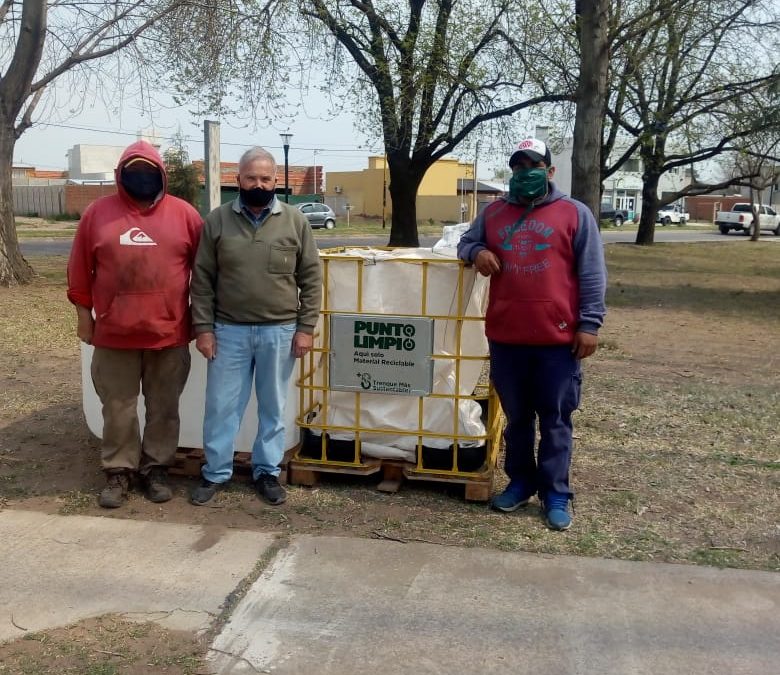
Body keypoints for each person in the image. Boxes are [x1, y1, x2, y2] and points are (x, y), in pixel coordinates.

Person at [457, 138, 606, 530]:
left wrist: (589, 324)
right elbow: (465, 242)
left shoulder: (574, 214)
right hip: (507, 337)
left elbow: (592, 272)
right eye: (518, 167)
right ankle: (520, 483)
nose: (525, 174)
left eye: (533, 166)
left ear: (550, 171)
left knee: (556, 420)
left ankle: (555, 493)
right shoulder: (494, 213)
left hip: (558, 341)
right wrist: (477, 253)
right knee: (518, 419)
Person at [67, 140, 203, 508]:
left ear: (161, 174)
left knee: (164, 407)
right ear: (121, 174)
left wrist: (201, 322)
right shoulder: (98, 214)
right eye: (134, 169)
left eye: (148, 169)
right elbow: (80, 268)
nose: (141, 176)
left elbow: (205, 274)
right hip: (114, 335)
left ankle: (155, 469)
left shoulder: (186, 215)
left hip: (168, 334)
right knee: (118, 409)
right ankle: (119, 471)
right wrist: (84, 316)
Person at [189, 146, 322, 506]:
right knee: (221, 406)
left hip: (279, 332)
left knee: (273, 407)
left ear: (276, 181)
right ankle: (215, 473)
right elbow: (201, 279)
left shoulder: (295, 221)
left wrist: (305, 327)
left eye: (265, 178)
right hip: (227, 332)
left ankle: (267, 472)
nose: (258, 184)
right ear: (239, 180)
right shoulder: (217, 221)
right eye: (251, 178)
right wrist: (203, 328)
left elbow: (311, 279)